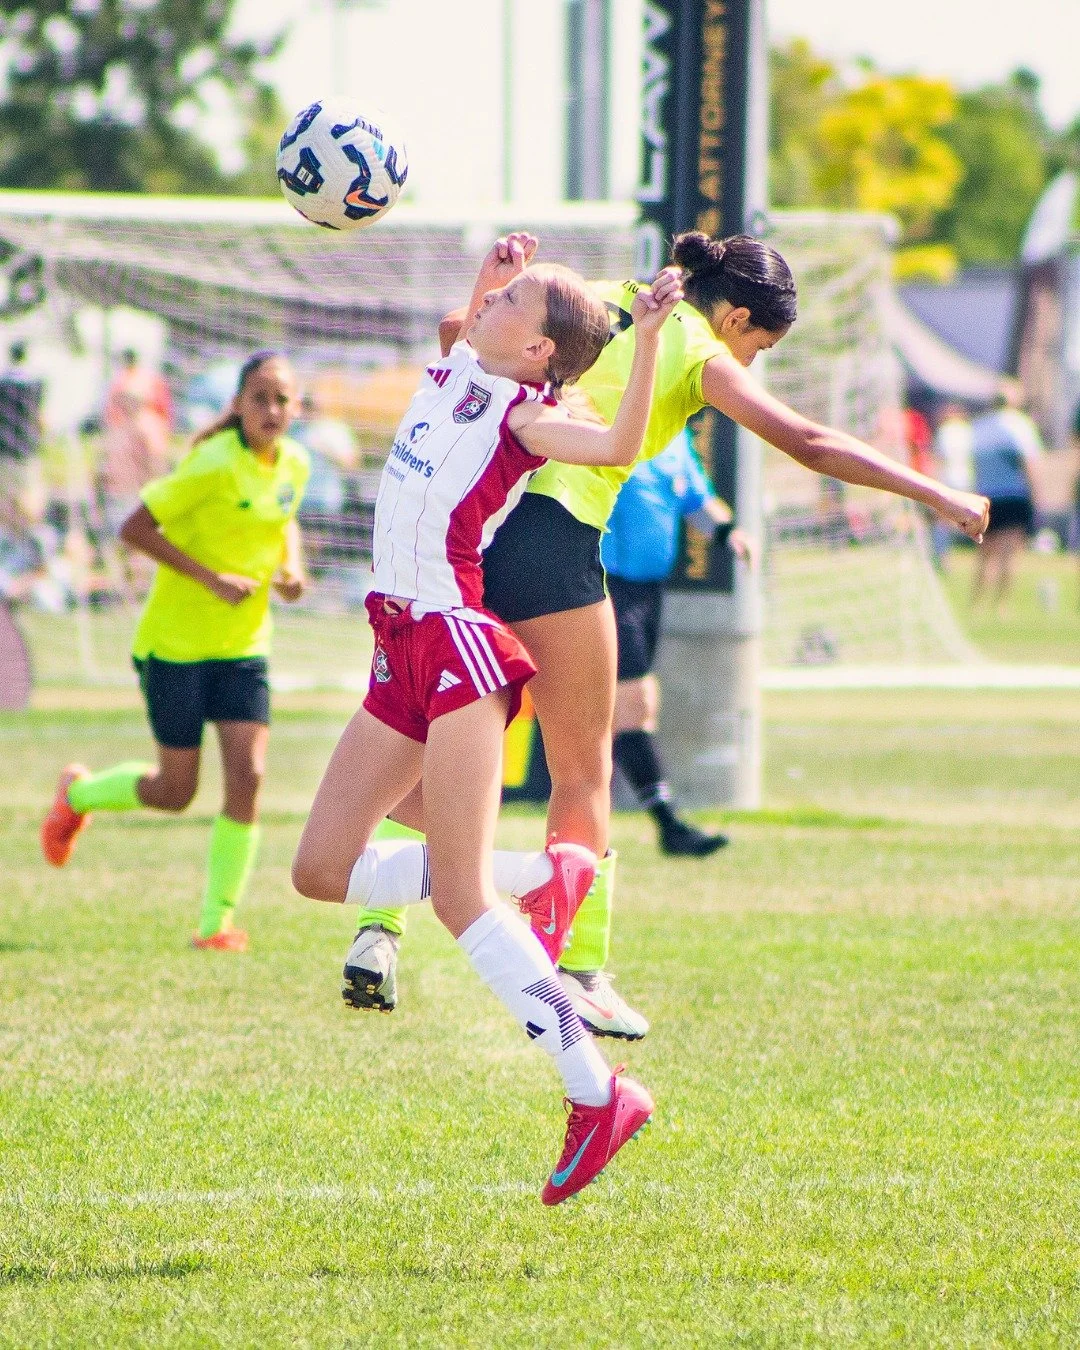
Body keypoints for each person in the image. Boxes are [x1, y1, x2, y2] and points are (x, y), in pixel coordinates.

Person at [345, 229, 990, 1042]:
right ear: (740, 318)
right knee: (584, 770)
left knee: (427, 740)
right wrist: (935, 493)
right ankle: (579, 972)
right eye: (759, 348)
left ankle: (378, 929)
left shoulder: (603, 291)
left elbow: (457, 333)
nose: (749, 366)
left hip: (465, 537)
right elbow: (810, 443)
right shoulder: (690, 344)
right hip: (548, 541)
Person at [291, 246, 685, 1205]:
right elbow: (469, 332)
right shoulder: (459, 371)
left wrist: (652, 336)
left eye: (510, 299)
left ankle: (598, 1092)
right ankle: (545, 876)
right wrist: (487, 274)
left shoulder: (529, 420)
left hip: (459, 646)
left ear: (541, 347)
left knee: (463, 898)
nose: (489, 301)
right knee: (319, 870)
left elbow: (625, 445)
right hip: (399, 647)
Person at [40, 352, 310, 952]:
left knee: (251, 775)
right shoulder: (211, 465)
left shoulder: (296, 462)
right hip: (176, 649)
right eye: (260, 397)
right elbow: (134, 529)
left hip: (244, 648)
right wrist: (211, 578)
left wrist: (291, 569)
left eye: (282, 399)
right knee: (175, 791)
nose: (271, 409)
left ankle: (217, 925)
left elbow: (284, 518)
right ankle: (77, 795)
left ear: (296, 408)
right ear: (238, 404)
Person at [604, 427, 752, 859]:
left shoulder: (672, 437)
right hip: (606, 585)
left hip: (650, 593)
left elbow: (697, 502)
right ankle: (667, 823)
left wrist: (730, 534)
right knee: (635, 704)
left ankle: (644, 824)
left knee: (623, 713)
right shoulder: (604, 425)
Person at [970, 383, 1043, 611]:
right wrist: (1036, 496)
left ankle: (977, 603)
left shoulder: (979, 426)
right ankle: (1002, 605)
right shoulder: (1019, 425)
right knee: (1009, 553)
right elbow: (1029, 463)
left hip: (986, 495)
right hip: (1014, 494)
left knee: (985, 552)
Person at [931, 401, 975, 568]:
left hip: (948, 480)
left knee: (942, 521)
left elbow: (939, 459)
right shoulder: (968, 431)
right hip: (967, 480)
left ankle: (943, 557)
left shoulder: (944, 431)